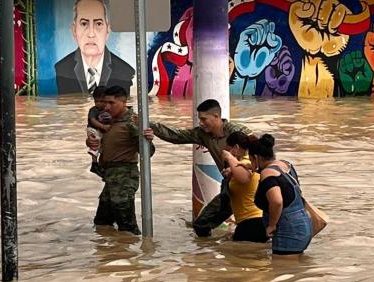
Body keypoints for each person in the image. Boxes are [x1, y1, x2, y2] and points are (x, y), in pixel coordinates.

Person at [148, 99, 253, 237]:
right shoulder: (203, 134)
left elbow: (260, 151)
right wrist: (151, 127)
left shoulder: (237, 131)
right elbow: (176, 135)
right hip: (230, 187)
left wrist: (242, 166)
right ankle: (209, 255)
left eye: (204, 119)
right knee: (201, 224)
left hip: (250, 186)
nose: (201, 123)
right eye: (199, 119)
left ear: (216, 117)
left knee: (253, 227)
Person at [90, 86, 155, 235]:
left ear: (123, 102)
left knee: (127, 226)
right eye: (105, 103)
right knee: (102, 222)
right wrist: (92, 143)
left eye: (111, 103)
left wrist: (147, 139)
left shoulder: (133, 123)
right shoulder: (109, 120)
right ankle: (112, 253)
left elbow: (148, 152)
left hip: (124, 177)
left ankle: (138, 254)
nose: (106, 107)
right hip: (110, 177)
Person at [248, 134, 312, 255]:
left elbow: (277, 202)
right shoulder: (285, 165)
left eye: (250, 159)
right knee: (292, 271)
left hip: (288, 231)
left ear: (255, 157)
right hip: (304, 226)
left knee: (278, 271)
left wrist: (271, 225)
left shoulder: (267, 174)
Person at [55, 0, 135, 95]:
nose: (91, 34)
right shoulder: (60, 69)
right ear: (74, 30)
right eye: (84, 24)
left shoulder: (126, 72)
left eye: (98, 24)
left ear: (108, 31)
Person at [221, 131, 268, 242]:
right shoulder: (250, 164)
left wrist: (229, 157)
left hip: (251, 222)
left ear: (236, 147)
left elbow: (244, 178)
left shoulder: (246, 161)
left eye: (229, 149)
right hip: (256, 220)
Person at [87, 86, 112, 175]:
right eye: (96, 101)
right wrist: (103, 126)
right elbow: (93, 121)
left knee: (102, 146)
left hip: (102, 131)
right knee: (95, 144)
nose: (98, 104)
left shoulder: (109, 110)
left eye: (101, 101)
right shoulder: (93, 110)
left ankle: (99, 164)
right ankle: (94, 163)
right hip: (93, 129)